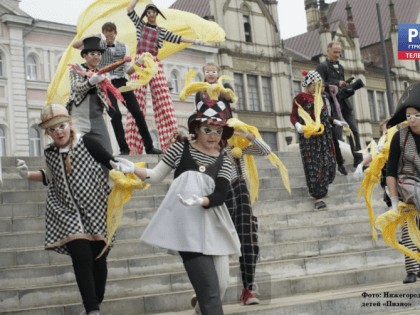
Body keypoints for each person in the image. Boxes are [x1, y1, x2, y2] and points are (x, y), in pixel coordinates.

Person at [111, 106, 241, 315]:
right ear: (196, 128)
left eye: (218, 131)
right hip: (187, 227)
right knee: (210, 291)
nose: (213, 135)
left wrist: (202, 200)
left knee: (220, 285)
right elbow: (155, 175)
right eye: (207, 129)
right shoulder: (180, 149)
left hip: (214, 225)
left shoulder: (225, 161)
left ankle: (200, 307)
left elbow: (220, 195)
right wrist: (133, 169)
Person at [16, 104, 116, 315]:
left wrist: (131, 172)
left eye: (61, 126)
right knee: (82, 258)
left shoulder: (88, 143)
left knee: (99, 261)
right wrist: (27, 175)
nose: (58, 131)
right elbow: (49, 176)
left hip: (96, 211)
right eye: (52, 129)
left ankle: (95, 303)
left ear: (70, 124)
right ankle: (92, 310)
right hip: (66, 212)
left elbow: (111, 162)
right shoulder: (50, 152)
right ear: (48, 133)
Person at [194, 62, 269, 305]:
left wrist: (247, 134)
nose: (214, 129)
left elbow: (265, 151)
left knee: (248, 238)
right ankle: (206, 293)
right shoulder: (198, 146)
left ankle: (247, 289)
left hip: (239, 190)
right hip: (213, 195)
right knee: (209, 246)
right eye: (208, 125)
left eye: (218, 123)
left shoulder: (235, 140)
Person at [125, 1, 205, 154]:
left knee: (164, 101)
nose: (151, 15)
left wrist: (195, 41)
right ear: (146, 15)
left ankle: (170, 146)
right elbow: (129, 10)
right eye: (148, 13)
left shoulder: (161, 31)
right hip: (141, 61)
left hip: (154, 62)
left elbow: (177, 38)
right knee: (136, 104)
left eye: (153, 12)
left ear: (157, 14)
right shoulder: (141, 26)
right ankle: (133, 148)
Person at [72, 23, 162, 155]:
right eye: (106, 37)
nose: (109, 39)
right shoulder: (98, 46)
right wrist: (95, 36)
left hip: (121, 81)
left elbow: (129, 71)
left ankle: (149, 146)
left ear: (115, 34)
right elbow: (75, 45)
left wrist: (139, 62)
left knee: (137, 111)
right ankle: (124, 149)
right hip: (105, 82)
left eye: (111, 36)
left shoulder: (122, 47)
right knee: (115, 115)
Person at [386, 82, 420, 284]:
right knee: (409, 219)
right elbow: (390, 171)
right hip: (406, 182)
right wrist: (393, 201)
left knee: (412, 229)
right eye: (409, 116)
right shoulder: (399, 136)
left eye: (416, 115)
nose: (412, 120)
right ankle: (411, 271)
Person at [66, 36, 113, 175]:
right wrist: (90, 82)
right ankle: (76, 186)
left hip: (97, 117)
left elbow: (108, 93)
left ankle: (103, 187)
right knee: (73, 153)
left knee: (107, 153)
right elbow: (76, 88)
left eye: (99, 54)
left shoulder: (103, 72)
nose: (96, 57)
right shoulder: (76, 69)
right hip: (79, 116)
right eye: (93, 54)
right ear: (85, 55)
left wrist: (105, 81)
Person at [290, 70, 336, 210]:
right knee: (314, 165)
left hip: (324, 136)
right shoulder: (301, 97)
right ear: (308, 85)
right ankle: (318, 197)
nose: (318, 88)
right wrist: (298, 126)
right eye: (316, 85)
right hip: (310, 138)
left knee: (329, 162)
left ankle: (323, 187)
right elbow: (293, 115)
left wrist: (336, 122)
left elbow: (324, 117)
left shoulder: (319, 98)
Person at [316, 42, 363, 167]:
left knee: (353, 130)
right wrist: (336, 83)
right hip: (331, 103)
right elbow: (318, 85)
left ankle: (358, 159)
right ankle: (337, 160)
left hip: (344, 102)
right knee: (336, 132)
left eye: (339, 52)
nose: (337, 55)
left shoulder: (341, 67)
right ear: (328, 51)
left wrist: (346, 86)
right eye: (335, 52)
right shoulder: (322, 66)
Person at [354, 118, 391, 207]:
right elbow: (372, 154)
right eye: (386, 125)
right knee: (389, 197)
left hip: (396, 171)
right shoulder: (380, 141)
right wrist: (361, 164)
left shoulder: (396, 136)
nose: (388, 127)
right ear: (381, 128)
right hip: (385, 172)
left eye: (390, 125)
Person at [322, 91, 348, 175]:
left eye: (323, 86)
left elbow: (332, 109)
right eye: (320, 86)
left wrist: (335, 120)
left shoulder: (327, 95)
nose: (322, 88)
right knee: (325, 146)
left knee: (336, 144)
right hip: (321, 125)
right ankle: (326, 166)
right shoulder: (315, 97)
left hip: (330, 123)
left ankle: (340, 165)